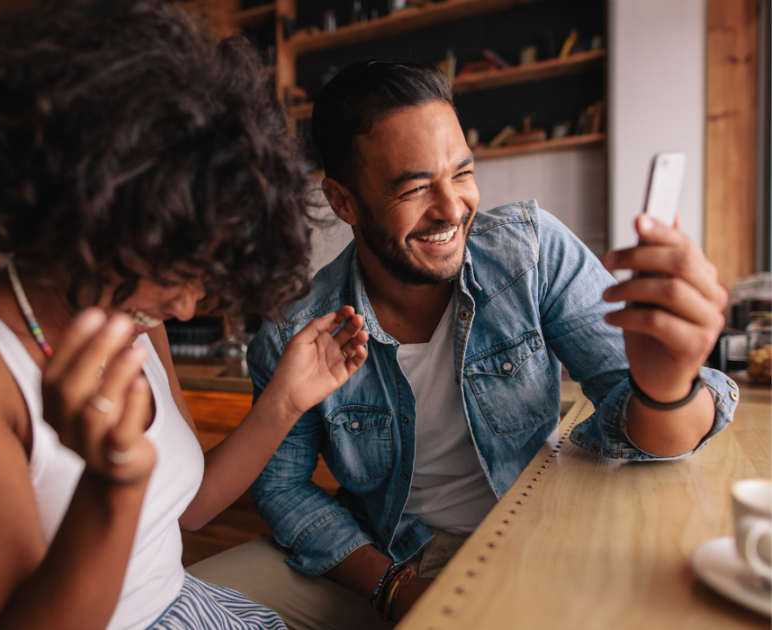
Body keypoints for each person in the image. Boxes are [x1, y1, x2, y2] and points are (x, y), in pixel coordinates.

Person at [188, 59, 739, 628]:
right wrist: (392, 587)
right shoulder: (296, 328)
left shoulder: (531, 254)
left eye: (461, 173)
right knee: (179, 605)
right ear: (344, 201)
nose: (452, 209)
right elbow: (282, 489)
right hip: (387, 552)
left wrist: (668, 383)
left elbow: (657, 440)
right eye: (416, 186)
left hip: (532, 534)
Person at [0, 5, 371, 630]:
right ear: (84, 206)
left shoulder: (137, 317)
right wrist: (112, 486)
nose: (187, 306)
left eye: (204, 274)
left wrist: (285, 399)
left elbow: (188, 510)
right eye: (174, 267)